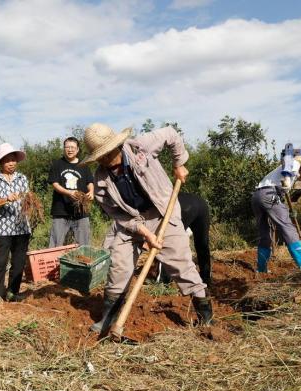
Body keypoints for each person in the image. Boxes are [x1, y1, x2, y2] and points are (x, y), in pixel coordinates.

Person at [80, 123, 213, 334]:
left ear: (117, 144)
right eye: (100, 156)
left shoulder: (140, 147)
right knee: (119, 266)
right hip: (132, 223)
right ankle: (108, 319)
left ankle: (205, 316)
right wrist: (144, 233)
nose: (105, 159)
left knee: (181, 265)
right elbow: (118, 216)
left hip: (162, 213)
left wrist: (179, 163)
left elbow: (170, 134)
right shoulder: (100, 182)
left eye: (107, 152)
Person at [252, 144, 301, 272]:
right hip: (269, 194)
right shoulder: (295, 165)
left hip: (257, 196)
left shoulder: (278, 174)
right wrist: (287, 177)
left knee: (265, 234)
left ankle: (261, 269)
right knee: (288, 228)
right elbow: (288, 155)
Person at [0, 143, 31, 305]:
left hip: (21, 227)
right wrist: (6, 199)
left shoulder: (22, 178)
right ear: (1, 163)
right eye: (7, 160)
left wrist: (30, 202)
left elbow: (27, 199)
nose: (11, 163)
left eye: (13, 160)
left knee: (19, 263)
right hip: (2, 229)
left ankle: (13, 292)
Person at [156, 192, 212, 286]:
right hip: (202, 204)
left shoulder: (161, 200)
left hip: (183, 207)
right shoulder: (167, 193)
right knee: (202, 243)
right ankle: (206, 278)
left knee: (167, 243)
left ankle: (163, 281)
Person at [48, 136, 94, 247]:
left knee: (84, 245)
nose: (70, 149)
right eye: (67, 147)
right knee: (55, 244)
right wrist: (69, 193)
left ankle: (83, 263)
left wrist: (91, 192)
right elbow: (55, 184)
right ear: (64, 149)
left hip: (81, 212)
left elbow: (90, 182)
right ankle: (53, 263)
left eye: (73, 147)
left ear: (78, 149)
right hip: (60, 211)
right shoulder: (57, 164)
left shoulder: (84, 165)